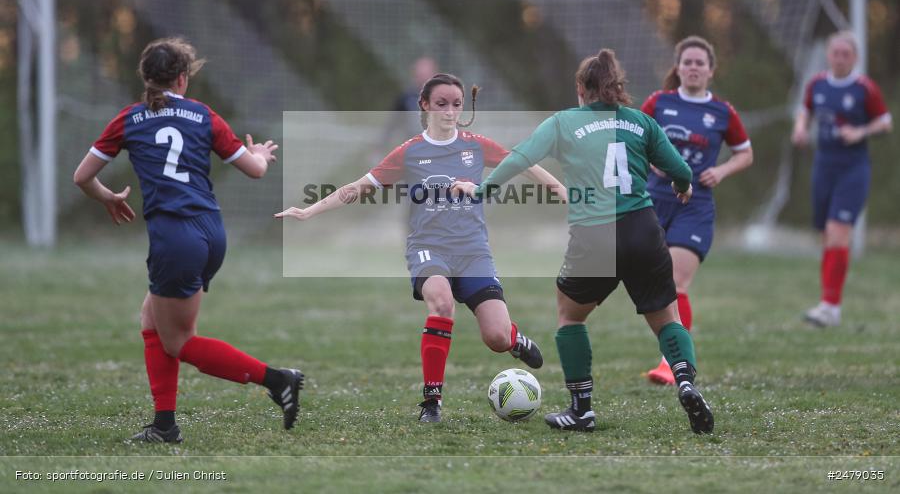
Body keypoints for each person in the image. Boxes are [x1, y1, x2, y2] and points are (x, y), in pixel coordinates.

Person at [276, 73, 564, 423]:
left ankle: (514, 340)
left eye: (456, 104)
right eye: (441, 104)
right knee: (441, 303)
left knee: (496, 337)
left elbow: (524, 164)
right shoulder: (410, 151)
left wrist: (564, 193)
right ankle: (432, 401)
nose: (450, 111)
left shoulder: (476, 145)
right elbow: (358, 187)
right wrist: (310, 210)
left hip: (473, 252)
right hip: (428, 248)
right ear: (425, 105)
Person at [455, 49, 714, 434]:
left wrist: (481, 190)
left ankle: (582, 410)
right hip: (643, 227)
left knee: (570, 316)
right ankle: (686, 381)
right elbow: (680, 170)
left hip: (595, 233)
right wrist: (682, 186)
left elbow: (520, 158)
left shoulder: (563, 122)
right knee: (666, 318)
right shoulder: (641, 122)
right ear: (618, 87)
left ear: (580, 88)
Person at [73, 37, 304, 444]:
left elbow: (82, 177)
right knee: (152, 320)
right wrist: (261, 155)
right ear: (182, 78)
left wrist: (108, 197)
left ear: (145, 76)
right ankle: (164, 425)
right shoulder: (203, 115)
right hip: (210, 231)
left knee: (179, 340)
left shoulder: (129, 118)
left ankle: (277, 379)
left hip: (175, 238)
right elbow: (254, 170)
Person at [639, 36, 753, 385]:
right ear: (677, 68)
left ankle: (672, 364)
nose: (692, 67)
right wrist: (651, 161)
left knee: (676, 281)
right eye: (687, 62)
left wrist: (721, 170)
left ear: (710, 70)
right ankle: (673, 354)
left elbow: (745, 153)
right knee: (653, 282)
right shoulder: (659, 102)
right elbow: (631, 139)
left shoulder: (722, 112)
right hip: (653, 201)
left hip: (695, 206)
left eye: (699, 63)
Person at [791, 31, 892, 327]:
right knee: (827, 236)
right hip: (823, 166)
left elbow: (885, 122)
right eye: (835, 53)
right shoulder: (817, 84)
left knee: (838, 232)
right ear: (828, 55)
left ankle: (830, 307)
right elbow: (805, 110)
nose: (840, 59)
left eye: (846, 54)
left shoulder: (864, 88)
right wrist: (800, 129)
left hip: (853, 168)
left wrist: (861, 132)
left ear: (855, 58)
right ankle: (828, 303)